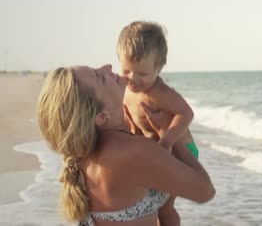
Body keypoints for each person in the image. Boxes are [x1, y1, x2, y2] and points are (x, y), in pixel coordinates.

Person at [36, 64, 215, 226]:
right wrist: (168, 133)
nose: (108, 67)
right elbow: (204, 191)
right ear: (101, 116)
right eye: (100, 77)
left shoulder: (86, 155)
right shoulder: (133, 151)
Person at [116, 21, 198, 225]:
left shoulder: (159, 93)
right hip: (157, 153)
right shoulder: (127, 89)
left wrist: (167, 141)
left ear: (159, 68)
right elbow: (130, 119)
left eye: (142, 74)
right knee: (147, 202)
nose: (133, 78)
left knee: (165, 206)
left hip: (179, 151)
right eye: (126, 70)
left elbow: (186, 113)